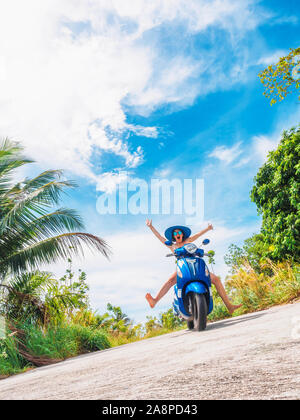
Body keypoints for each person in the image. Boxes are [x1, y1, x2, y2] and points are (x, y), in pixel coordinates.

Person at [145, 219, 241, 314]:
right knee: (170, 280)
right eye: (175, 234)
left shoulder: (188, 240)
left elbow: (198, 235)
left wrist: (208, 228)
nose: (177, 234)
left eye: (179, 232)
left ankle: (229, 306)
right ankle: (155, 300)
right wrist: (151, 227)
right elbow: (161, 238)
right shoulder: (172, 246)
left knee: (216, 279)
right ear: (173, 237)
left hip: (195, 263)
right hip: (183, 267)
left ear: (182, 234)